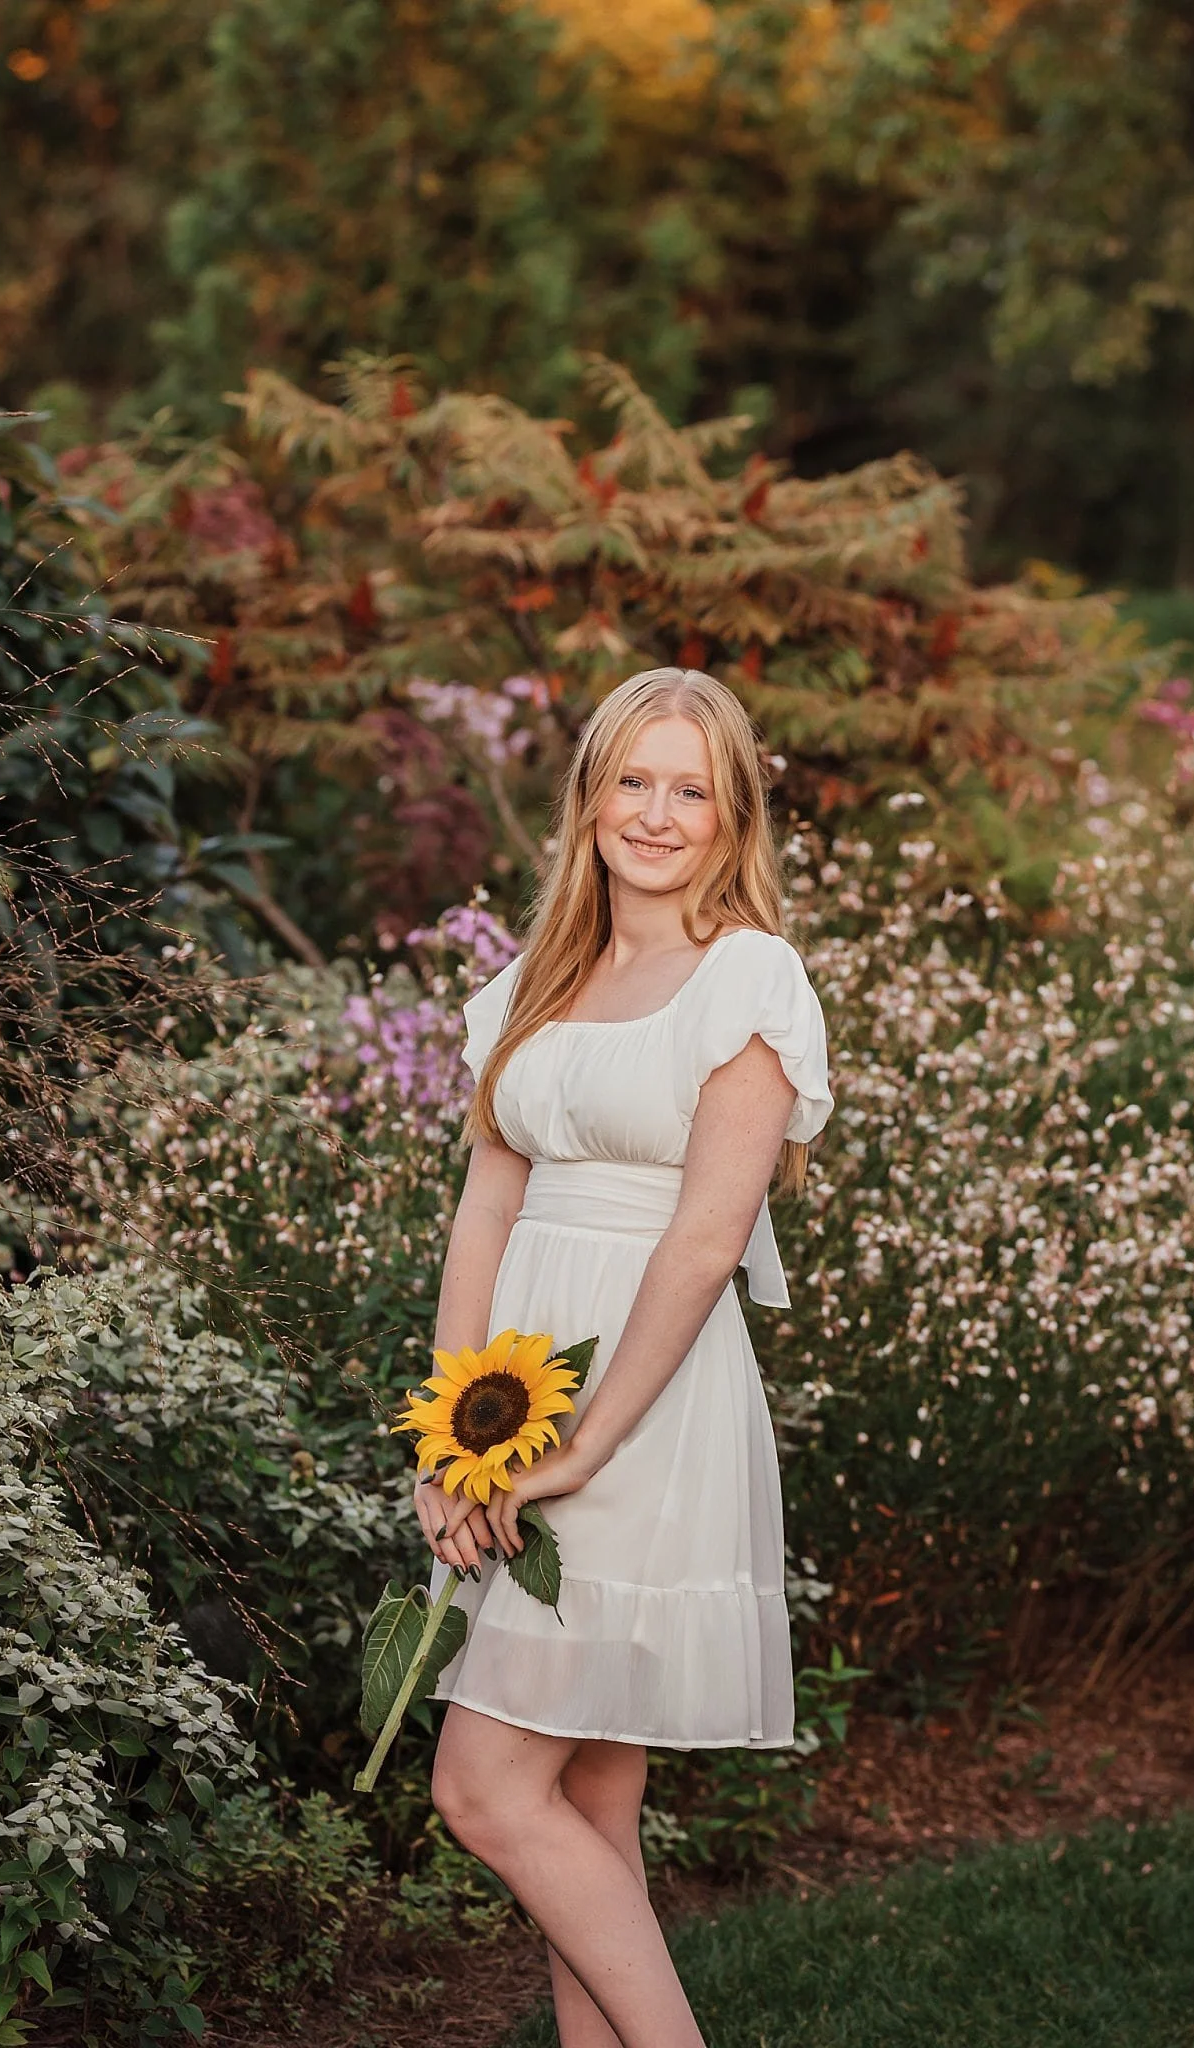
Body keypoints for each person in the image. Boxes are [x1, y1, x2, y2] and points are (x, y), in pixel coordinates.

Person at [413, 666, 833, 2048]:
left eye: (690, 789)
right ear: (589, 796)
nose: (656, 814)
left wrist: (578, 1447)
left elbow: (705, 1243)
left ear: (732, 816)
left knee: (482, 1791)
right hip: (515, 1397)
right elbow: (485, 1208)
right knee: (585, 1806)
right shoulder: (530, 982)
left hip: (645, 1413)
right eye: (631, 781)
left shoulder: (747, 978)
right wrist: (453, 1442)